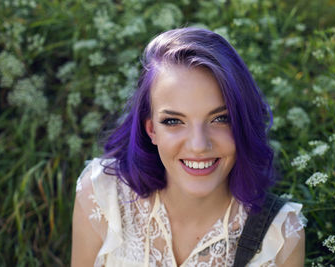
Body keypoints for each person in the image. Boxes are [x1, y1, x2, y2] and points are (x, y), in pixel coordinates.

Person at [71, 27, 306, 267]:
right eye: (173, 121)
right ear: (151, 129)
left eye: (220, 119)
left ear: (242, 123)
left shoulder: (280, 237)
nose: (198, 146)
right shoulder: (101, 195)